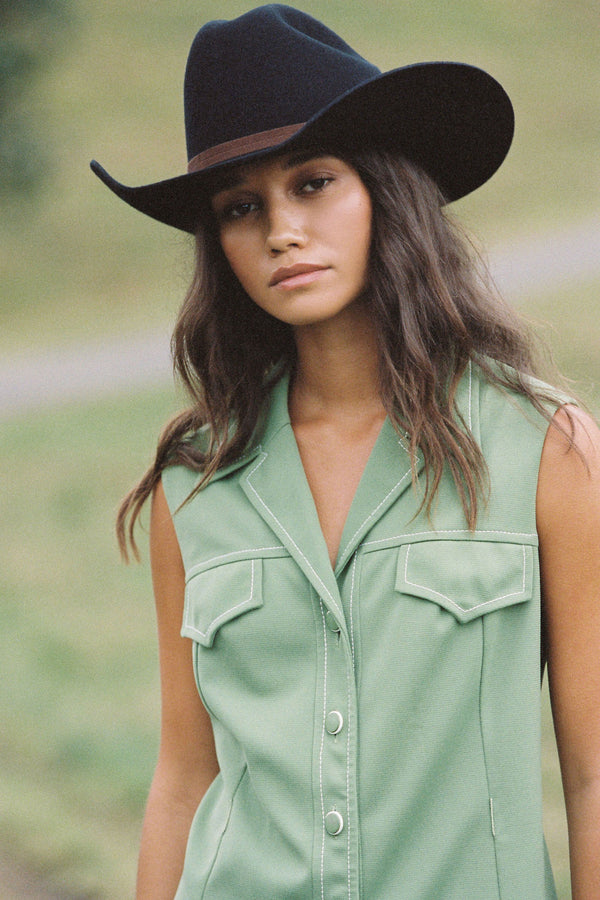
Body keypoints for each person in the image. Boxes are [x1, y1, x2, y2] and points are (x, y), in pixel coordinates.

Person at [91, 6, 600, 899]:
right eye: (241, 207)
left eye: (314, 182)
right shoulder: (195, 482)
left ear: (385, 192)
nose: (281, 230)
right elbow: (183, 777)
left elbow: (593, 774)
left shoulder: (541, 448)